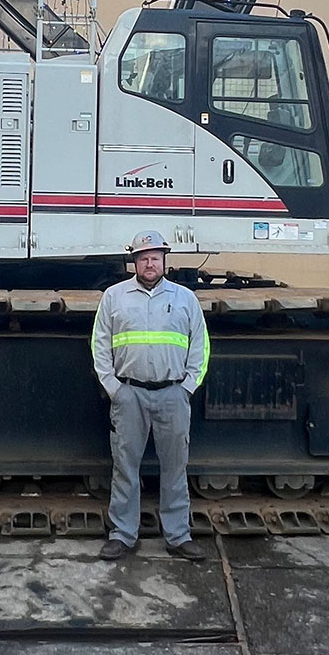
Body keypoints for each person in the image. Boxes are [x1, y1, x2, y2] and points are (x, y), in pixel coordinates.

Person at [90, 231, 209, 561]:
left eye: (155, 257)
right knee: (125, 467)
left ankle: (178, 535)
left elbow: (200, 345)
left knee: (175, 468)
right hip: (129, 395)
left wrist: (187, 388)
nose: (149, 263)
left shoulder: (185, 298)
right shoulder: (114, 297)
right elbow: (100, 344)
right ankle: (123, 534)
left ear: (164, 260)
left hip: (172, 394)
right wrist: (114, 388)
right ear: (135, 262)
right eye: (143, 258)